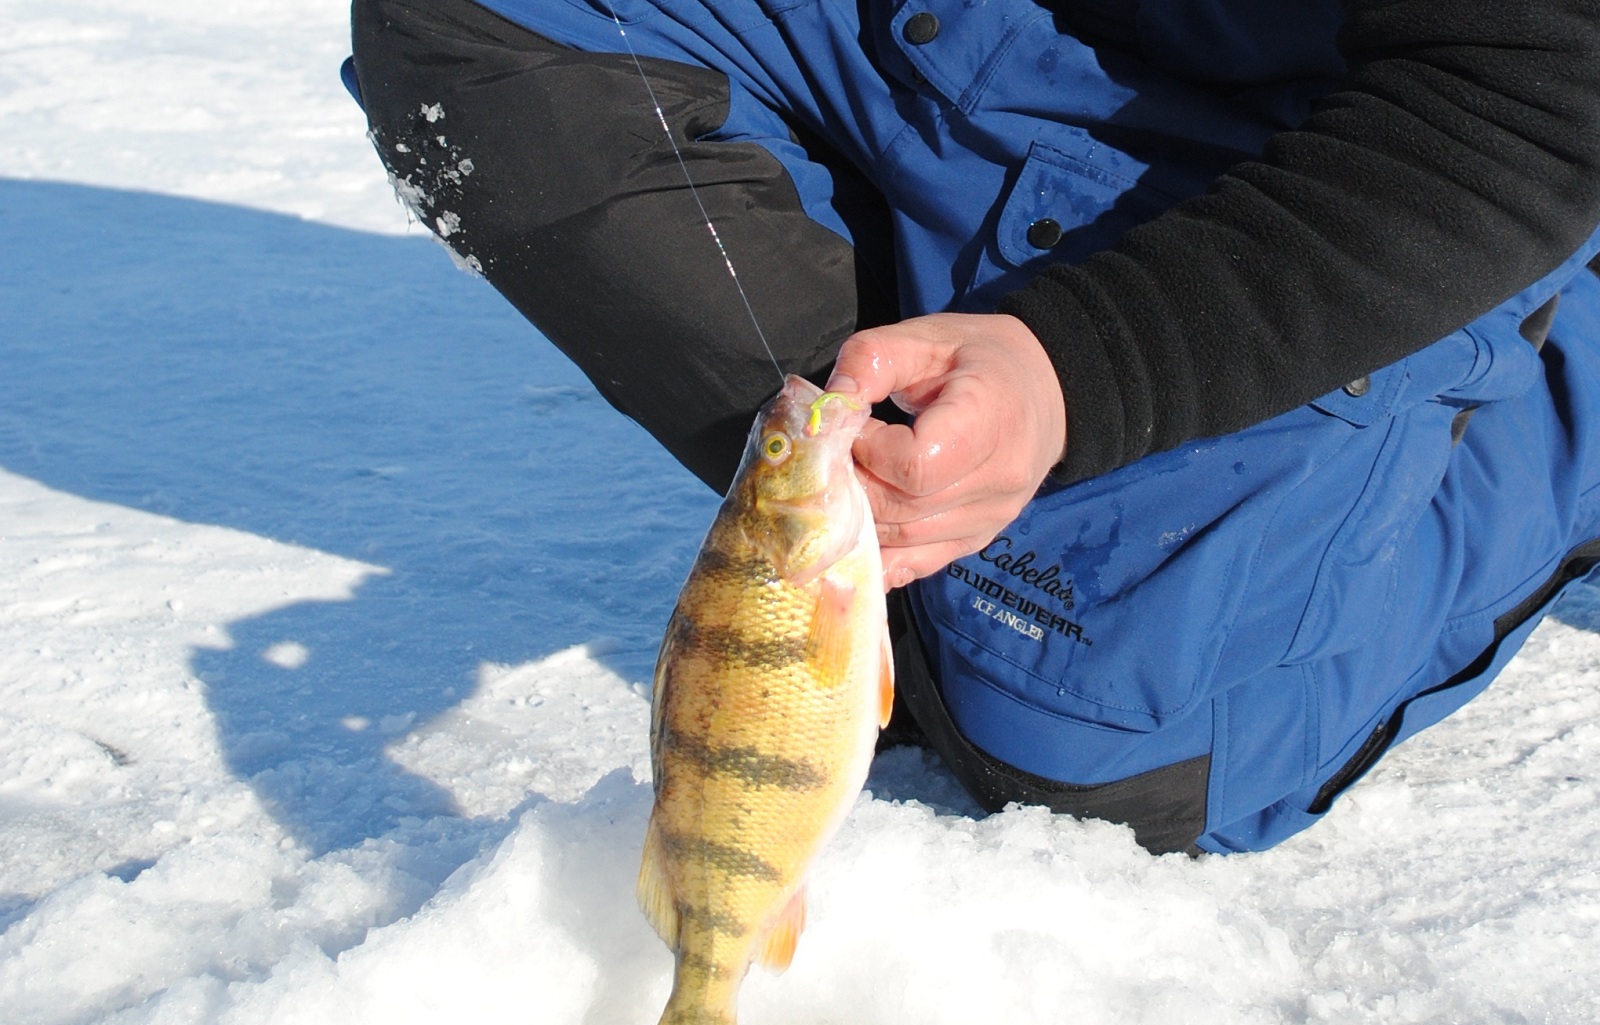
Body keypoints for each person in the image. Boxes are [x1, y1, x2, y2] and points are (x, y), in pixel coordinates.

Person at [345, 0, 1600, 854]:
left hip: (1400, 133)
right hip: (958, 29)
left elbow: (1542, 89)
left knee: (1086, 754)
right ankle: (921, 509)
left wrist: (1081, 366)